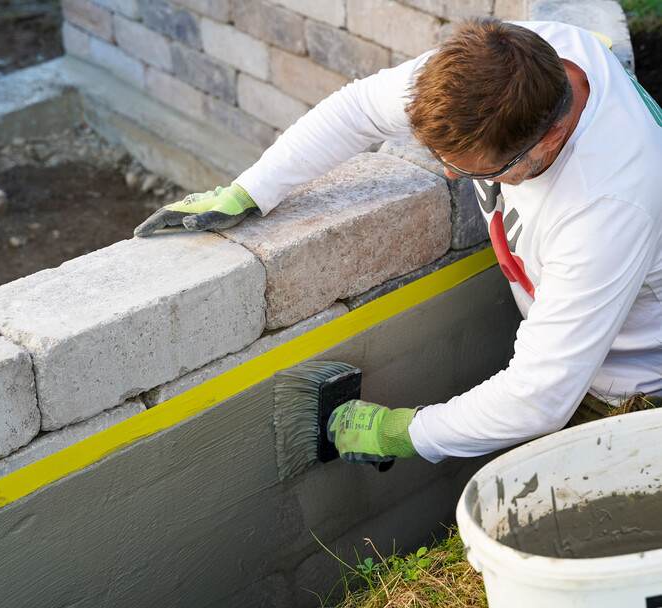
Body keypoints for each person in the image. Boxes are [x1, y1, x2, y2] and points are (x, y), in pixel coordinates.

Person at [134, 17, 662, 467]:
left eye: (481, 170)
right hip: (576, 348)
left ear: (547, 137)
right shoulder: (510, 62)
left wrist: (402, 433)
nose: (454, 178)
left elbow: (538, 398)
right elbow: (358, 109)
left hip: (634, 386)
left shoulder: (607, 203)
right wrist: (252, 190)